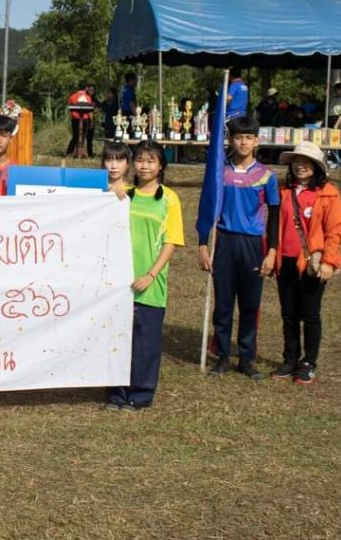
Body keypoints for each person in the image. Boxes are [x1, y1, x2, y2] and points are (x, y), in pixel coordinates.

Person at [199, 116, 280, 380]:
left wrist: (272, 251)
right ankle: (222, 356)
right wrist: (202, 244)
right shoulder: (220, 173)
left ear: (256, 141)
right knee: (223, 303)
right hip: (224, 241)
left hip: (252, 245)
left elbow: (275, 216)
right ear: (231, 140)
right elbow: (206, 209)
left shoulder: (267, 176)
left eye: (248, 137)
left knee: (250, 304)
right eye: (238, 137)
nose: (243, 142)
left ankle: (246, 358)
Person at [105, 140, 184, 411]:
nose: (144, 165)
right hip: (119, 282)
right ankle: (116, 393)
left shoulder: (169, 199)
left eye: (151, 160)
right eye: (140, 159)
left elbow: (171, 241)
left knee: (145, 343)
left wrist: (151, 275)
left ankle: (139, 394)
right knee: (118, 340)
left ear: (161, 166)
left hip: (149, 283)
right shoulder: (123, 194)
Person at [272, 141, 341, 384]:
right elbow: (272, 224)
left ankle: (308, 362)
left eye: (306, 162)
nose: (300, 166)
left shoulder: (329, 193)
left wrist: (329, 261)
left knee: (310, 313)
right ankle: (290, 358)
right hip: (285, 260)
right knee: (289, 313)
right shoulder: (283, 190)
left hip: (312, 262)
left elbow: (334, 230)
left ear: (316, 166)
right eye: (296, 161)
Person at [66, 84, 96, 158]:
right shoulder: (87, 97)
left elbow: (69, 107)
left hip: (75, 119)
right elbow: (90, 111)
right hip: (84, 119)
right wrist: (91, 120)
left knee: (75, 136)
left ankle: (69, 152)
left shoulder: (72, 96)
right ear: (86, 88)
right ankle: (79, 152)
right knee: (83, 136)